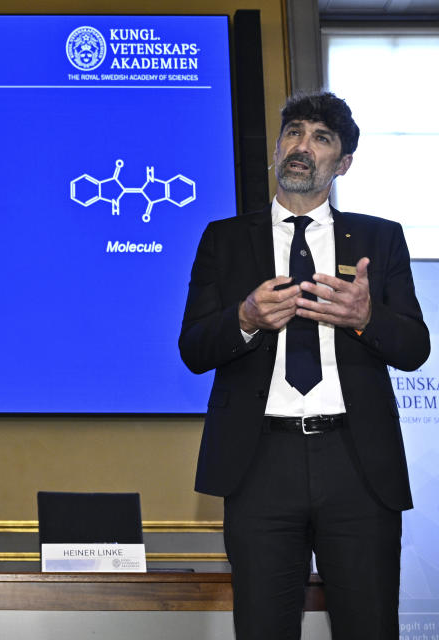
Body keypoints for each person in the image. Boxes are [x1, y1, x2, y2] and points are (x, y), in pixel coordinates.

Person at [179, 92, 429, 640]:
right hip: (259, 463)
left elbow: (415, 348)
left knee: (370, 627)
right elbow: (194, 348)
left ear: (343, 164)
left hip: (357, 465)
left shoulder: (378, 238)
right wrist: (244, 318)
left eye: (321, 137)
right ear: (275, 150)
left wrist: (366, 316)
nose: (302, 146)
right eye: (293, 132)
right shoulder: (223, 239)